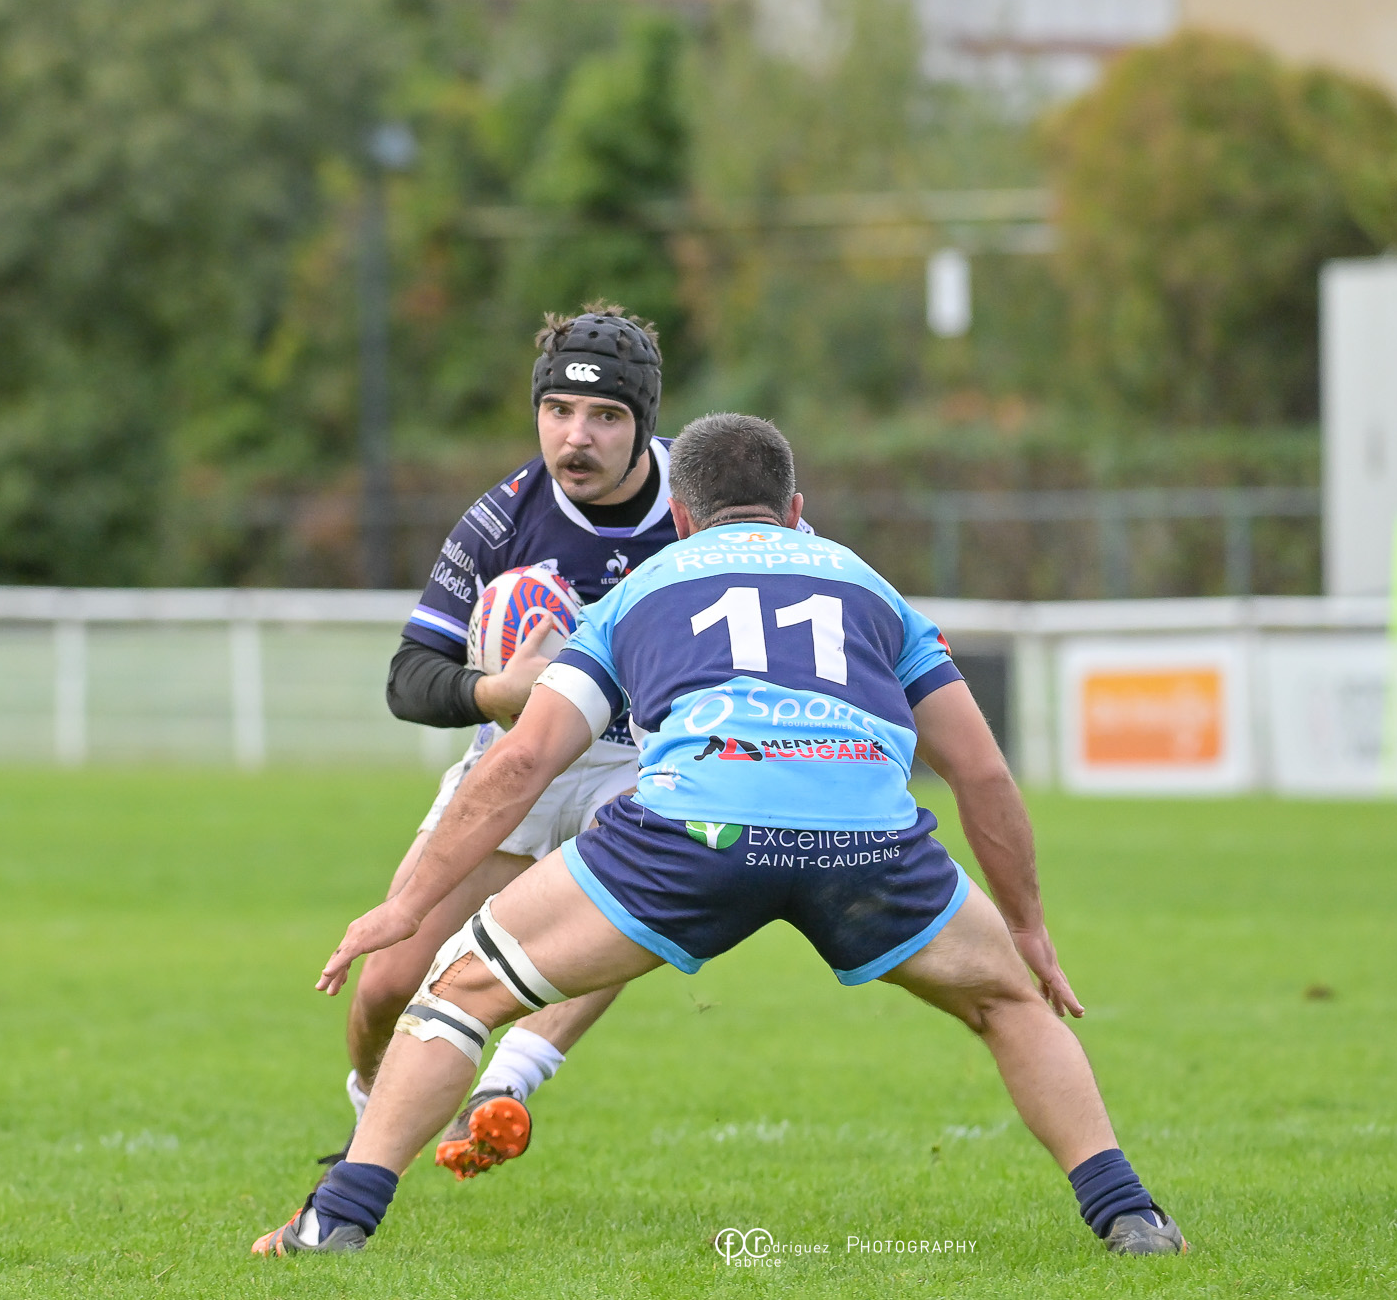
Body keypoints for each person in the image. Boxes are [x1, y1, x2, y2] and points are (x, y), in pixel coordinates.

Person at [253, 413, 1187, 1258]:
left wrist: (407, 904)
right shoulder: (870, 586)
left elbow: (522, 760)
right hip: (864, 835)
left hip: (698, 830)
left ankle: (336, 1220)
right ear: (796, 510)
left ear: (683, 518)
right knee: (1010, 1003)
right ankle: (1131, 1216)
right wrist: (1025, 926)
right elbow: (981, 772)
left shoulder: (641, 588)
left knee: (460, 988)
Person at [343, 302, 674, 1179]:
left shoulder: (704, 506)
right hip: (518, 760)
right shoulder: (501, 520)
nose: (576, 436)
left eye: (605, 416)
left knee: (637, 884)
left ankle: (508, 1081)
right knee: (384, 986)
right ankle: (377, 1110)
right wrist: (496, 691)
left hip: (641, 762)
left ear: (645, 423)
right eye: (558, 410)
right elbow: (409, 677)